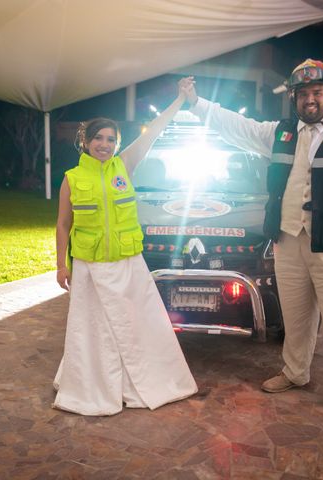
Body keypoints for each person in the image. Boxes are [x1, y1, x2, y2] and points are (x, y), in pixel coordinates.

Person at [185, 60, 323, 429]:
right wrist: (199, 104)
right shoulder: (278, 133)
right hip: (288, 241)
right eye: (303, 94)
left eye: (317, 93)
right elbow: (238, 126)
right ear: (295, 99)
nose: (310, 100)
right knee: (296, 319)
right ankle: (295, 373)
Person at [53, 78, 198, 416]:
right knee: (94, 329)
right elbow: (63, 224)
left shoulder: (126, 165)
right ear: (86, 142)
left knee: (135, 325)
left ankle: (140, 383)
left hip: (128, 264)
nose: (105, 145)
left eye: (111, 140)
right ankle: (93, 386)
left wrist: (179, 100)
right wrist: (61, 265)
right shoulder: (72, 178)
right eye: (99, 139)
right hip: (90, 266)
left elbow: (155, 131)